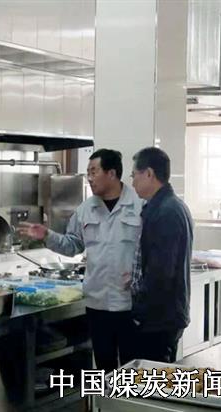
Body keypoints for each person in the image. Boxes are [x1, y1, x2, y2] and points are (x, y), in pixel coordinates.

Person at [18, 149, 142, 372]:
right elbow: (72, 245)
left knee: (132, 370)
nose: (90, 178)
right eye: (88, 173)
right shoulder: (86, 209)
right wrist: (46, 235)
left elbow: (152, 252)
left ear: (112, 173)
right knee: (104, 369)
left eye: (94, 172)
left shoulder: (139, 206)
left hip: (129, 304)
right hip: (97, 304)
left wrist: (140, 277)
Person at [129, 146, 193, 363]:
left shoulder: (166, 212)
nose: (132, 182)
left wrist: (139, 309)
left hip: (159, 318)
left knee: (152, 377)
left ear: (149, 173)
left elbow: (161, 273)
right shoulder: (170, 205)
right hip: (166, 314)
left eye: (134, 175)